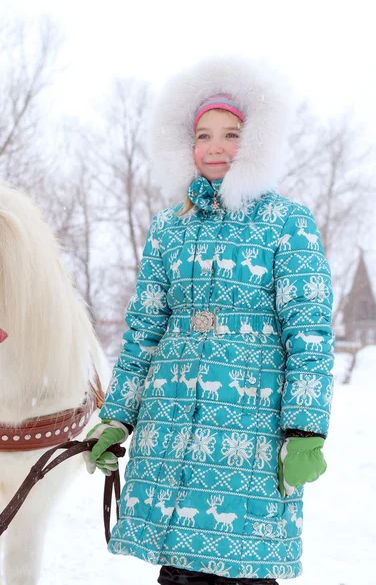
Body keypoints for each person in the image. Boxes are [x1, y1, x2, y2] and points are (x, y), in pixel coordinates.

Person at [84, 57, 333, 584]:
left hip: (252, 442)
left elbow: (308, 335)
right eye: (203, 134)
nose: (215, 147)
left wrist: (306, 428)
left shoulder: (287, 223)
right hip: (170, 434)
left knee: (243, 571)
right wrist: (117, 416)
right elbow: (143, 333)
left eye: (231, 133)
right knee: (180, 574)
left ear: (256, 141)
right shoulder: (169, 228)